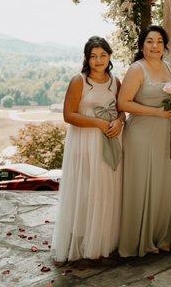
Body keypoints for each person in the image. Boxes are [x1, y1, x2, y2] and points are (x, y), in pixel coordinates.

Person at [52, 36, 124, 262]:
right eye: (93, 56)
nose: (98, 60)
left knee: (107, 190)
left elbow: (122, 110)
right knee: (86, 189)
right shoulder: (79, 81)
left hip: (111, 141)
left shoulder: (115, 81)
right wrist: (99, 123)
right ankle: (82, 239)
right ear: (87, 58)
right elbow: (68, 115)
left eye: (103, 55)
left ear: (110, 56)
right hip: (84, 143)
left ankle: (104, 238)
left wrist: (120, 121)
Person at [118, 25, 171, 257]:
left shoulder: (167, 67)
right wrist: (157, 113)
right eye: (150, 42)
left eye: (159, 42)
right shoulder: (137, 69)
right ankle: (140, 240)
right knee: (143, 184)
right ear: (142, 45)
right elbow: (123, 103)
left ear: (165, 46)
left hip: (166, 135)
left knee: (162, 184)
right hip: (142, 135)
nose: (155, 46)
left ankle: (161, 236)